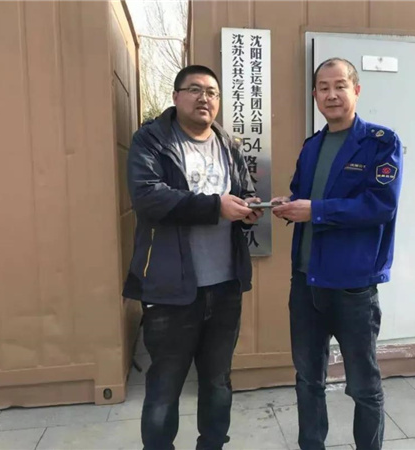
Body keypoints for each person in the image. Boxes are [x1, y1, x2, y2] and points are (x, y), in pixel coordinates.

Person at [122, 64, 263, 450]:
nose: (205, 98)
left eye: (212, 92)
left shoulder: (228, 143)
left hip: (225, 286)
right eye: (195, 90)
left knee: (218, 383)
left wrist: (249, 209)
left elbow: (242, 192)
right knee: (164, 387)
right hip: (170, 289)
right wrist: (216, 206)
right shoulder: (152, 140)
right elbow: (148, 198)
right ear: (176, 96)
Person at [272, 58, 403, 450]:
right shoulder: (312, 146)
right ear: (315, 95)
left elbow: (380, 206)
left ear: (356, 90)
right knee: (308, 380)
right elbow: (304, 196)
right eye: (323, 88)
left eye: (340, 86)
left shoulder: (381, 143)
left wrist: (315, 210)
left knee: (363, 385)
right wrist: (288, 204)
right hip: (306, 282)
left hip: (352, 287)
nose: (331, 95)